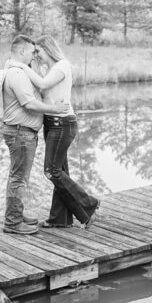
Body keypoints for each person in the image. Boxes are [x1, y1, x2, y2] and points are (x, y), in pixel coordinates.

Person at [18, 36, 100, 230]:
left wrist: (22, 67)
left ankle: (89, 204)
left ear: (48, 49)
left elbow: (43, 85)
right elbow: (39, 86)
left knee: (51, 171)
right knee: (60, 171)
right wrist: (35, 66)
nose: (36, 55)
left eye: (38, 51)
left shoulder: (62, 65)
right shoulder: (48, 69)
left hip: (62, 123)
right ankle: (60, 219)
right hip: (51, 123)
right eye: (34, 52)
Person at [0, 35, 70, 235]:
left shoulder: (20, 71)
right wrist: (54, 109)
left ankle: (17, 215)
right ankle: (13, 223)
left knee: (20, 177)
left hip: (22, 132)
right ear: (22, 52)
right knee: (18, 179)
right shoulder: (17, 74)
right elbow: (29, 104)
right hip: (20, 133)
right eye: (32, 52)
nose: (34, 56)